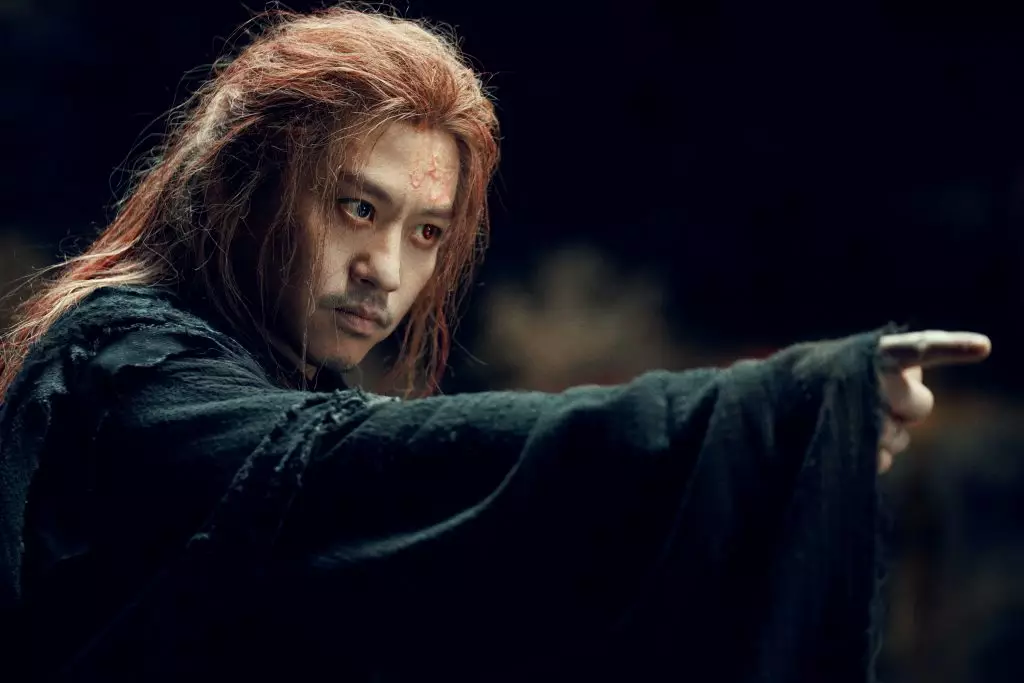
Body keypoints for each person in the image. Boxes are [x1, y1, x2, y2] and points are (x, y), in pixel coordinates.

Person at [0, 7, 991, 682]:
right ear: (242, 191)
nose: (385, 269)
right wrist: (778, 413)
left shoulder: (278, 377)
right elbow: (352, 474)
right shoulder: (125, 367)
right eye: (356, 208)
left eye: (426, 232)